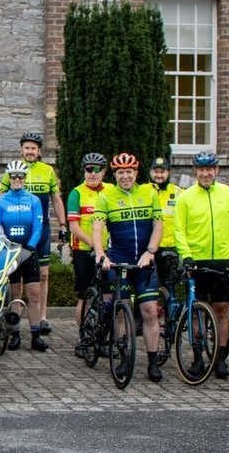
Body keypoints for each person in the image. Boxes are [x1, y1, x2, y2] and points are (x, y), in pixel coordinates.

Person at [91, 152, 165, 382]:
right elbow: (97, 228)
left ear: (136, 173)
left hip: (144, 260)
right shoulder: (106, 197)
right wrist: (101, 254)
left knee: (150, 311)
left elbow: (158, 225)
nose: (125, 176)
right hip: (119, 258)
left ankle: (153, 363)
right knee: (121, 309)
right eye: (121, 172)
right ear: (115, 175)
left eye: (129, 172)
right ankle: (123, 357)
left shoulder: (148, 192)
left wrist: (151, 251)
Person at [172, 150, 229, 379]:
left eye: (210, 169)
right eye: (202, 169)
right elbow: (179, 229)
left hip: (223, 258)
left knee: (223, 310)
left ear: (217, 170)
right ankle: (197, 358)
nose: (206, 173)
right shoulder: (186, 197)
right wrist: (186, 255)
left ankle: (220, 358)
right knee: (197, 312)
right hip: (197, 260)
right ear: (195, 171)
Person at [0, 132, 66, 336]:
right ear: (21, 150)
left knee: (43, 275)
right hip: (16, 231)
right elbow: (1, 198)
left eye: (33, 148)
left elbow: (56, 198)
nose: (30, 151)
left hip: (40, 228)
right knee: (14, 282)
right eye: (26, 148)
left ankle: (42, 317)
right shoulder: (12, 170)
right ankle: (14, 322)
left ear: (39, 151)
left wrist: (62, 224)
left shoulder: (47, 171)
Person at [0, 160, 46, 351]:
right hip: (11, 253)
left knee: (34, 295)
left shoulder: (34, 200)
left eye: (20, 176)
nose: (16, 179)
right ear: (8, 177)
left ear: (24, 178)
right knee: (15, 295)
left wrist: (30, 247)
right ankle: (14, 334)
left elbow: (38, 227)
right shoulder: (0, 202)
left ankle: (36, 335)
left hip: (29, 251)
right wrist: (8, 247)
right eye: (13, 176)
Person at [67, 151, 109, 357]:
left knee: (107, 295)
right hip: (83, 250)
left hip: (108, 252)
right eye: (88, 169)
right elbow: (73, 226)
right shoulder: (77, 193)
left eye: (97, 170)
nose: (93, 173)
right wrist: (94, 243)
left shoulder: (111, 191)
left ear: (104, 172)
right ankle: (83, 338)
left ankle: (102, 339)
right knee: (84, 295)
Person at [149, 154, 183, 294]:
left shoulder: (178, 192)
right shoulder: (143, 191)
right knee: (148, 289)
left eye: (162, 171)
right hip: (148, 248)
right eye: (156, 171)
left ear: (168, 173)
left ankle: (170, 316)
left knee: (170, 289)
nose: (159, 175)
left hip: (170, 247)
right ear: (150, 172)